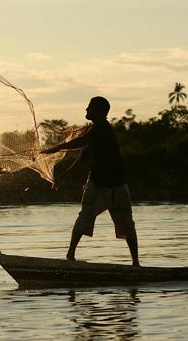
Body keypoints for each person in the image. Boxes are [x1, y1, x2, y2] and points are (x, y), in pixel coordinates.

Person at [42, 96, 140, 266]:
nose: (86, 110)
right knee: (87, 218)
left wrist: (58, 148)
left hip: (113, 186)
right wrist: (61, 178)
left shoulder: (101, 128)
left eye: (90, 108)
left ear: (100, 112)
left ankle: (136, 265)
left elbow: (82, 142)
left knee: (124, 223)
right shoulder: (97, 132)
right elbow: (82, 160)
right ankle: (70, 256)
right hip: (103, 184)